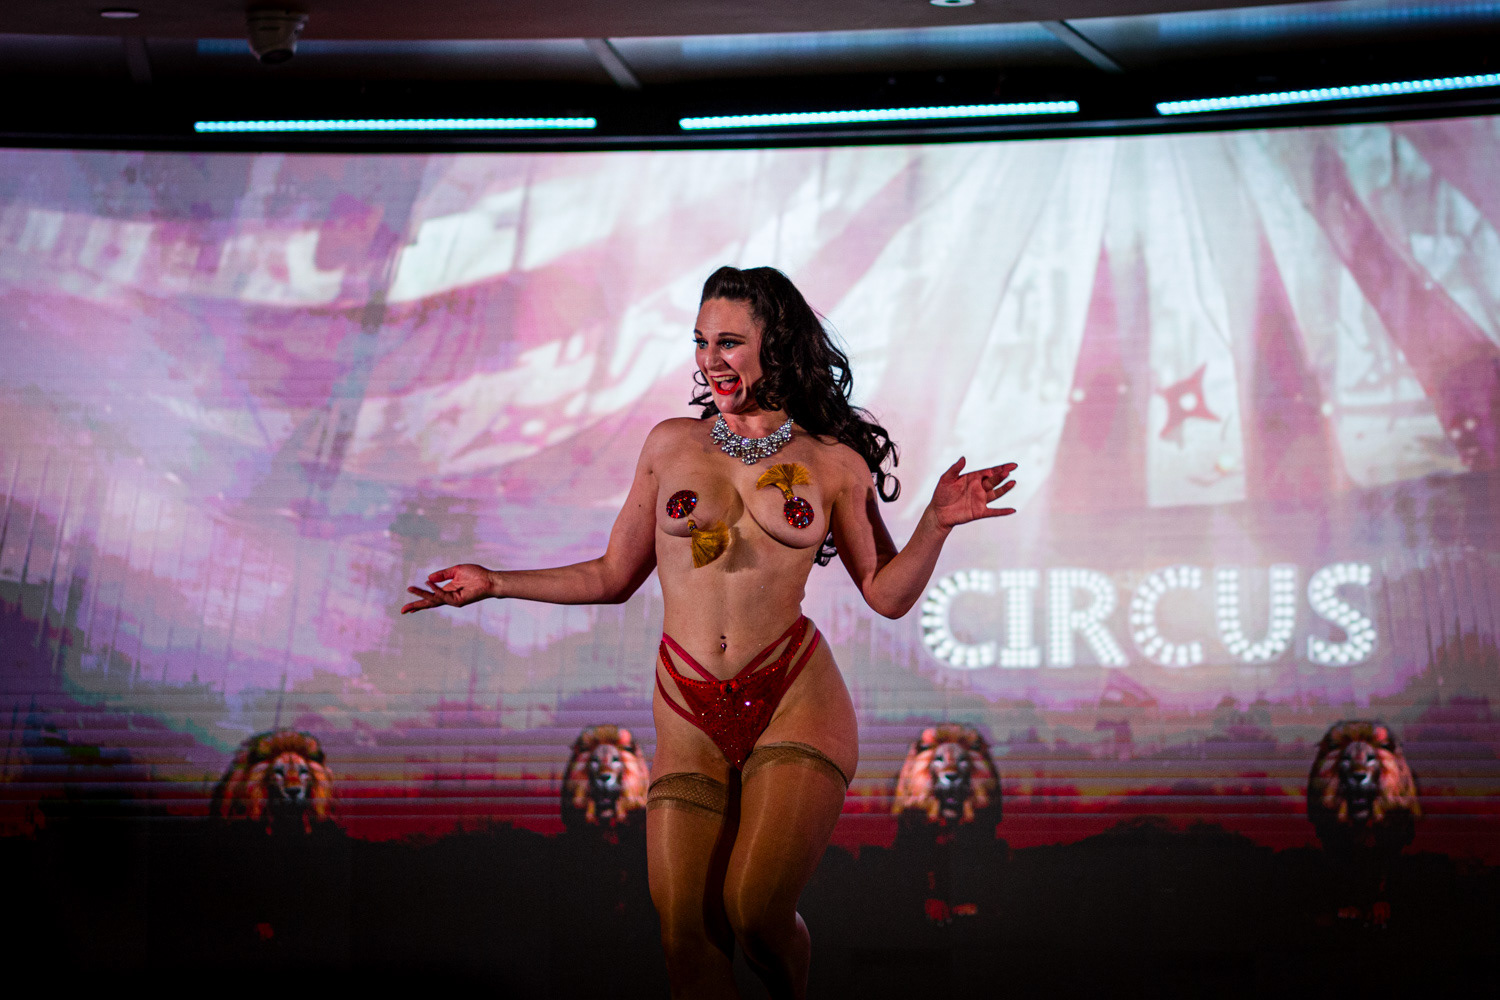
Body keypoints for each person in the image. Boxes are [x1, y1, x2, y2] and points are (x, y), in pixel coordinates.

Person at [401, 265, 1017, 999]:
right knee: (685, 934)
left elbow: (885, 595)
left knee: (755, 914)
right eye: (700, 342)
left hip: (792, 700)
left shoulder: (832, 461)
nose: (710, 360)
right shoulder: (670, 445)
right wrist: (496, 582)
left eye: (728, 342)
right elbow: (611, 575)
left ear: (774, 345)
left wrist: (936, 523)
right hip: (687, 711)